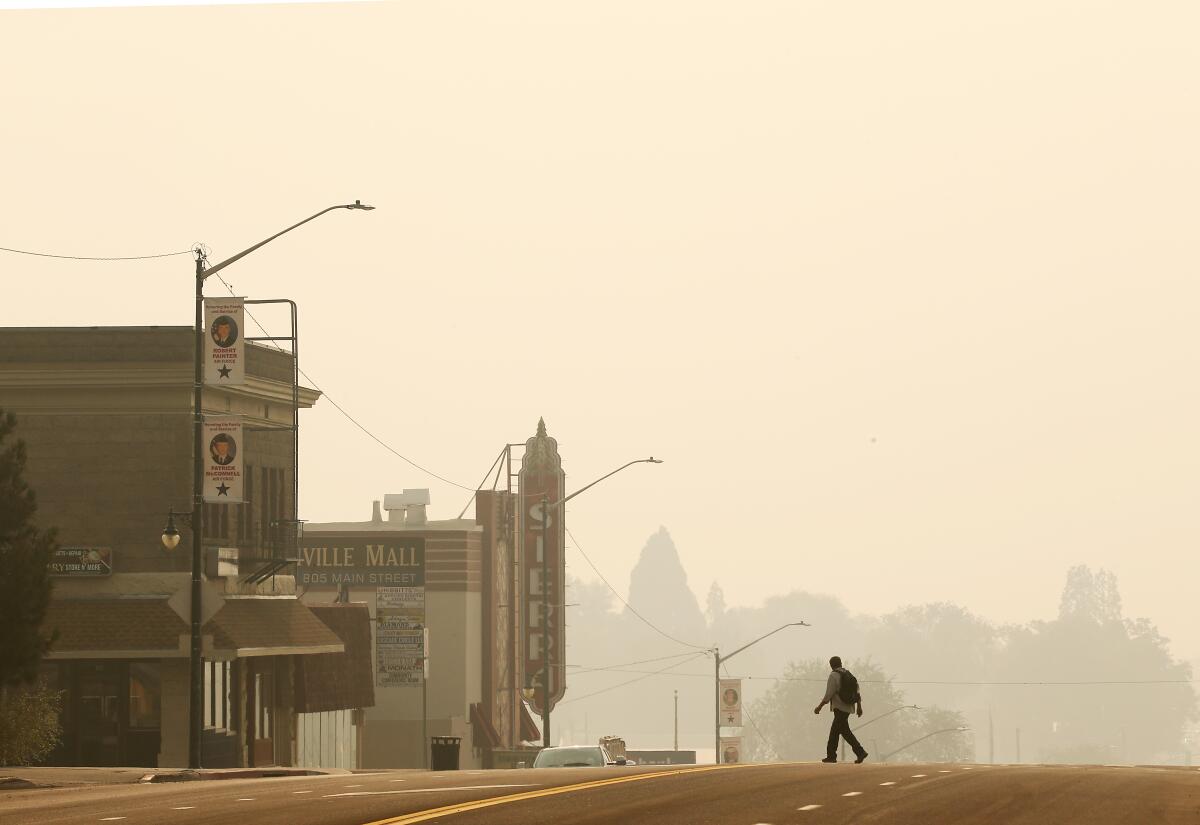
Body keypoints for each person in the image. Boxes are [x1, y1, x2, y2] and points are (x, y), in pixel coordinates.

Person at [813, 655, 868, 763]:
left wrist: (819, 707)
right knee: (844, 731)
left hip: (840, 707)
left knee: (834, 731)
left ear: (831, 665)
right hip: (849, 706)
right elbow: (857, 691)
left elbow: (829, 694)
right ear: (841, 663)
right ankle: (859, 752)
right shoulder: (848, 674)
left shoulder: (833, 675)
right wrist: (859, 707)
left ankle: (832, 756)